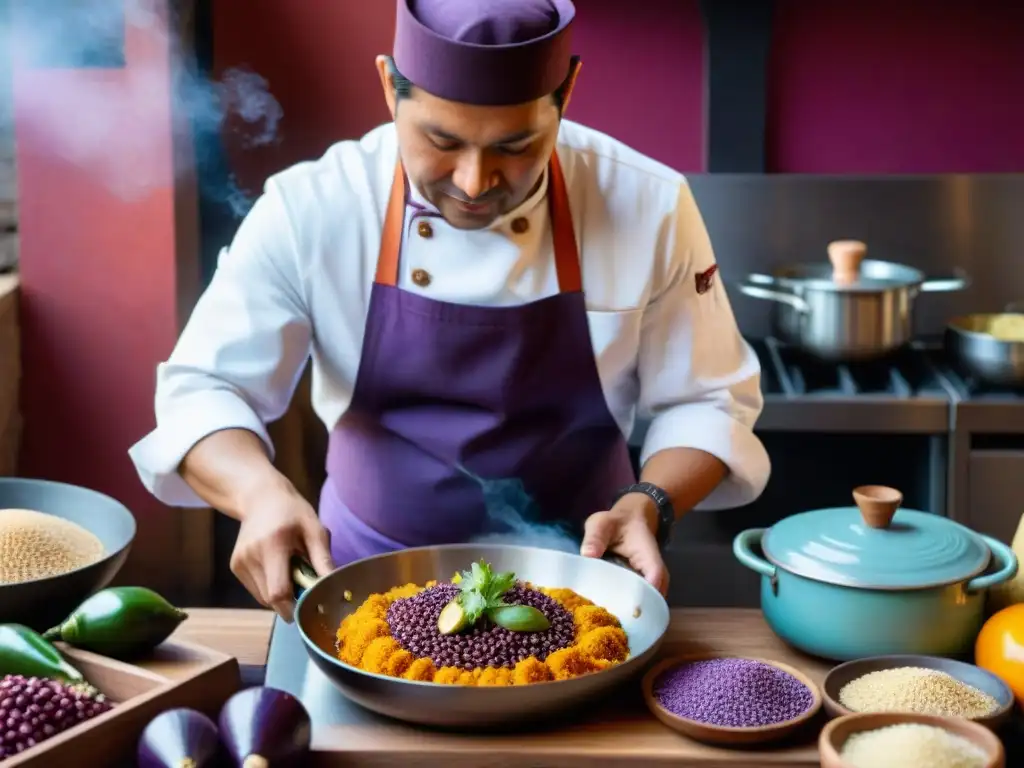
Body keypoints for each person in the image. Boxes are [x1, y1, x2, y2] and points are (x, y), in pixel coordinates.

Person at [129, 0, 770, 621]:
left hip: (588, 589)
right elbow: (203, 389)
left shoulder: (646, 201)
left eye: (517, 147)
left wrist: (649, 502)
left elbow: (707, 400)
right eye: (441, 140)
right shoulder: (314, 207)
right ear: (389, 87)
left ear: (567, 93)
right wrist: (258, 493)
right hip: (362, 590)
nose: (474, 181)